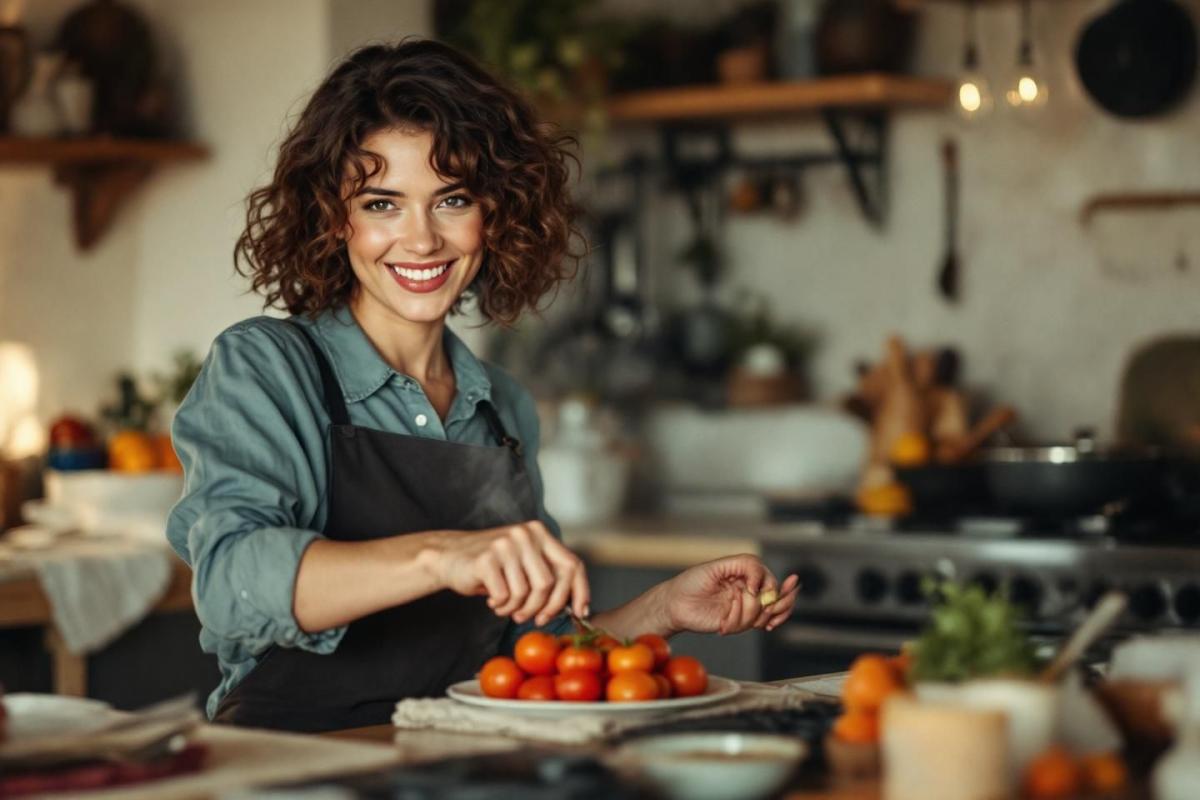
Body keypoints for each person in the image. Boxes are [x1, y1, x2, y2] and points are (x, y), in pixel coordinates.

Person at [166, 39, 799, 733]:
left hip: (453, 767)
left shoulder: (500, 409)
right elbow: (231, 583)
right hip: (289, 766)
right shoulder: (267, 369)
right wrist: (442, 554)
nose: (422, 238)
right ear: (333, 216)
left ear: (494, 214)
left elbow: (532, 657)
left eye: (452, 199)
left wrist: (664, 610)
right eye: (383, 203)